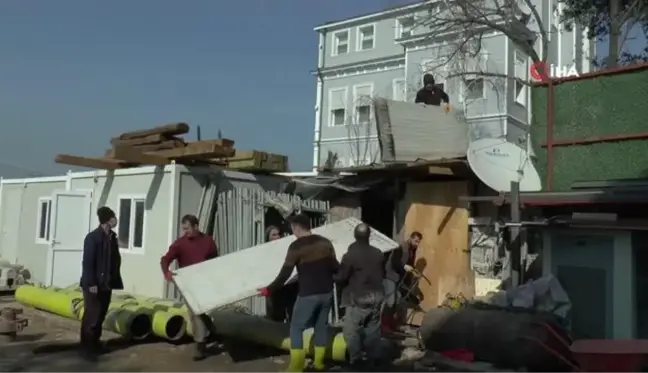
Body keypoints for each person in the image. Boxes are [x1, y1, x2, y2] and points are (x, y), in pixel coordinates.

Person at [258, 214, 339, 373]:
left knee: (296, 328)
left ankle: (296, 367)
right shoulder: (325, 242)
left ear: (296, 227)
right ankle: (319, 363)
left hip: (308, 293)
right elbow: (335, 266)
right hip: (327, 292)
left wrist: (269, 289)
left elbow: (285, 273)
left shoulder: (296, 247)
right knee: (321, 327)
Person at [160, 214, 218, 361]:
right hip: (188, 284)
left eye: (188, 229)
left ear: (196, 227)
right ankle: (201, 346)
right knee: (194, 312)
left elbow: (215, 260)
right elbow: (165, 259)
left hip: (204, 282)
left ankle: (210, 331)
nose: (185, 232)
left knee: (202, 310)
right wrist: (166, 272)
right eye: (183, 229)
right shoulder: (180, 244)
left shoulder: (208, 241)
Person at [334, 223, 385, 370]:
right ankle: (373, 358)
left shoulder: (350, 255)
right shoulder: (378, 253)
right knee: (372, 329)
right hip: (377, 296)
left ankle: (356, 360)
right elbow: (382, 274)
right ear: (369, 236)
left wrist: (333, 274)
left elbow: (341, 277)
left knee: (351, 329)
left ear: (355, 236)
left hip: (359, 297)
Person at [79, 206, 123, 361]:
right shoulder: (93, 237)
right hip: (94, 284)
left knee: (101, 315)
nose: (116, 220)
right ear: (108, 219)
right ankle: (87, 348)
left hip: (106, 283)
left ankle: (95, 344)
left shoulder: (111, 237)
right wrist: (91, 283)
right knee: (92, 316)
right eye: (114, 217)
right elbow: (88, 263)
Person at [382, 231, 423, 330]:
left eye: (419, 242)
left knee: (397, 301)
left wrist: (413, 271)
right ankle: (384, 325)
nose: (417, 244)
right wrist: (404, 266)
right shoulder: (400, 247)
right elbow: (394, 262)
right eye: (416, 241)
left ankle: (392, 324)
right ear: (411, 238)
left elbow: (410, 263)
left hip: (399, 279)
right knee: (390, 302)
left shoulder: (412, 249)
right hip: (390, 276)